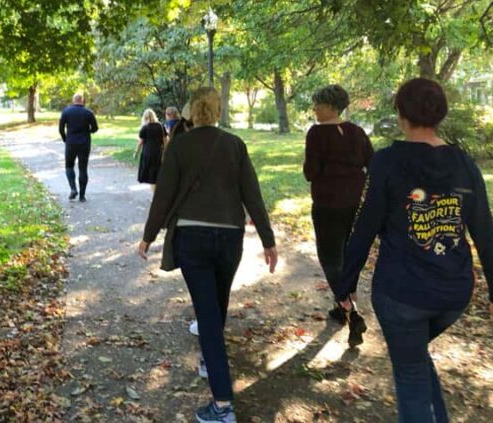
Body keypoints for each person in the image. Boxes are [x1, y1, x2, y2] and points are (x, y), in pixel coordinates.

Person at [336, 78, 493, 423]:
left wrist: (345, 284)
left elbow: (365, 226)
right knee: (414, 358)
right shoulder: (464, 164)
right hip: (453, 296)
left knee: (410, 372)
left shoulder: (387, 162)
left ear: (401, 114)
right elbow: (485, 233)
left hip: (402, 296)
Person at [138, 87, 279, 423]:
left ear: (191, 112)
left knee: (208, 311)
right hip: (229, 237)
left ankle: (222, 405)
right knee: (216, 304)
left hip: (192, 237)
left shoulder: (180, 144)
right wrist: (268, 240)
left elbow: (164, 194)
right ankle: (209, 361)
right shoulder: (234, 144)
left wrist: (148, 235)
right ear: (218, 110)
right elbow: (252, 196)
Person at [303, 84, 374, 346]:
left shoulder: (317, 134)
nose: (314, 109)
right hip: (353, 203)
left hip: (327, 203)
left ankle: (351, 310)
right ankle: (341, 305)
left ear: (330, 107)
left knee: (330, 257)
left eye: (318, 104)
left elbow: (310, 171)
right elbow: (372, 162)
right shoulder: (357, 132)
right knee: (346, 255)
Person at [58, 92, 99, 202]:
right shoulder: (88, 113)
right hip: (84, 144)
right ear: (82, 100)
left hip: (70, 143)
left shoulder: (66, 112)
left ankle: (73, 189)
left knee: (69, 166)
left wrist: (65, 139)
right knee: (83, 169)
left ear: (73, 100)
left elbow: (61, 129)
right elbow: (95, 128)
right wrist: (87, 131)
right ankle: (82, 196)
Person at [134, 108, 166, 192]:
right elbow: (165, 140)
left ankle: (154, 196)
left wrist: (136, 153)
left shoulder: (145, 128)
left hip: (148, 153)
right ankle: (157, 194)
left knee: (152, 177)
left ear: (144, 118)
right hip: (158, 153)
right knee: (157, 175)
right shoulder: (160, 126)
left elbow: (140, 142)